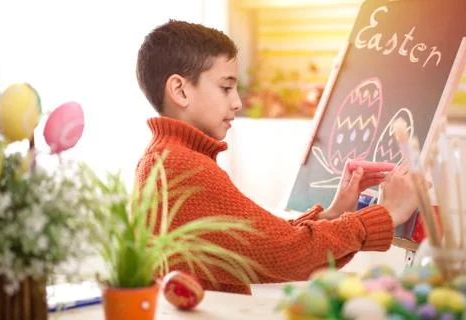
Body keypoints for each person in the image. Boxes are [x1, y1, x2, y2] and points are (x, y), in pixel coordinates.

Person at [135, 20, 418, 294]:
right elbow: (287, 252)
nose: (237, 102)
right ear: (180, 90)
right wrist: (387, 214)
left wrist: (333, 215)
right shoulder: (183, 166)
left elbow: (269, 241)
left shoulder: (164, 158)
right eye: (225, 88)